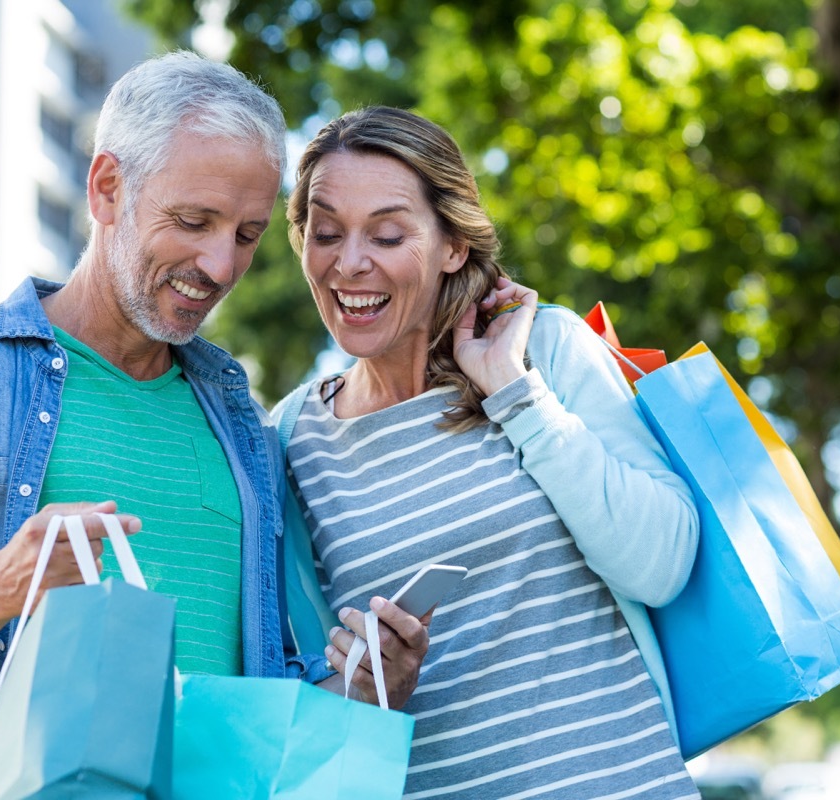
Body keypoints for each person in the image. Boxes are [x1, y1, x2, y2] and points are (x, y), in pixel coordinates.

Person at [0, 52, 427, 798]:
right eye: (194, 221)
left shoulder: (240, 421)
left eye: (247, 233)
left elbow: (253, 695)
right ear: (108, 188)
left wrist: (359, 687)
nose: (221, 265)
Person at [271, 105, 702, 799]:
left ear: (452, 245)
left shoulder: (545, 351)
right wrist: (364, 679)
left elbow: (662, 563)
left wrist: (513, 392)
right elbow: (302, 694)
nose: (350, 263)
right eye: (326, 234)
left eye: (386, 234)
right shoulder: (290, 438)